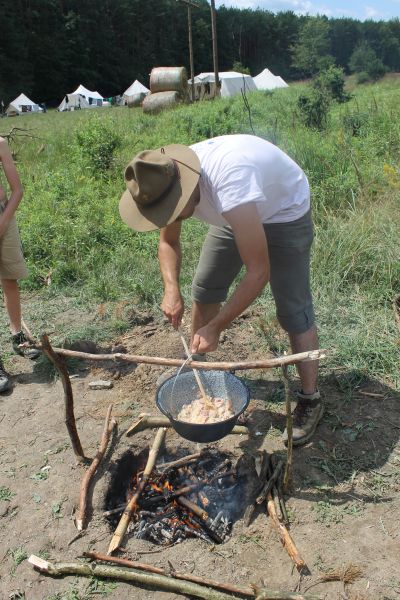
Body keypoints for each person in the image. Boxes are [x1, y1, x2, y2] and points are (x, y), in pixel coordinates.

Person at [119, 134, 322, 446]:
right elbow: (168, 242)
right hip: (234, 215)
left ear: (184, 189)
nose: (167, 219)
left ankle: (311, 398)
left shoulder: (231, 182)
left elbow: (259, 272)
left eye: (171, 210)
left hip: (283, 211)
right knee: (206, 285)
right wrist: (171, 289)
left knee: (293, 310)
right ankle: (198, 373)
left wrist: (217, 325)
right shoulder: (162, 180)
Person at [0, 137, 40, 392]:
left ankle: (18, 337)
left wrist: (3, 222)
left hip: (3, 216)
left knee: (10, 280)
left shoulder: (0, 143)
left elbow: (18, 190)